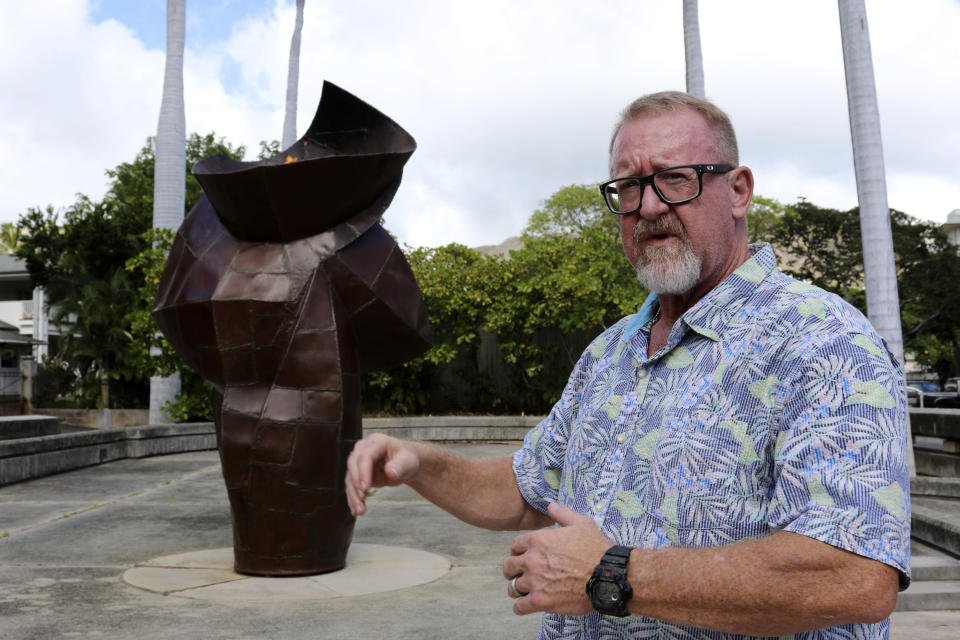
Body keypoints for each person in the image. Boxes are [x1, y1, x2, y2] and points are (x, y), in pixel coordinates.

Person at [345, 91, 910, 639]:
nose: (650, 206)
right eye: (629, 187)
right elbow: (528, 490)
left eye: (676, 178)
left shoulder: (823, 339)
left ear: (738, 191)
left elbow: (853, 576)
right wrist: (417, 462)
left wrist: (611, 573)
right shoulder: (610, 352)